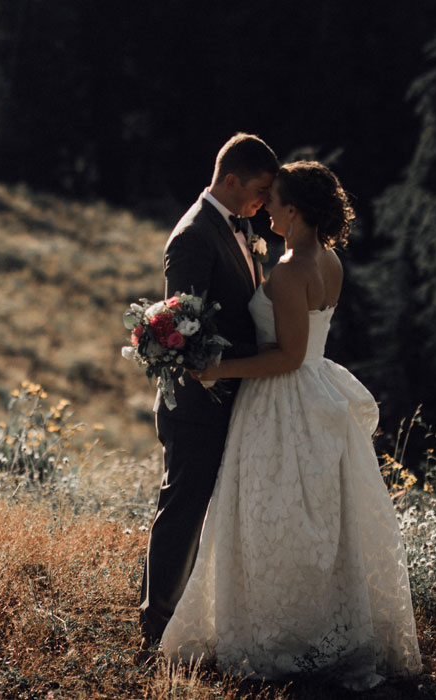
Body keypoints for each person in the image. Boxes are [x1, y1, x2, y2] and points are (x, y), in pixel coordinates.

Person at [160, 161, 422, 690]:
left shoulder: (287, 271)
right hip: (318, 394)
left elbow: (288, 356)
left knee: (270, 516)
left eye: (274, 200)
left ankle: (280, 634)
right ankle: (322, 627)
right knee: (316, 520)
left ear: (294, 210)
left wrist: (219, 368)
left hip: (281, 402)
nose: (266, 207)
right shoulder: (329, 262)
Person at [138, 133, 280, 654]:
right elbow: (188, 329)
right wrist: (257, 357)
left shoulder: (237, 227)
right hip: (198, 404)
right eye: (261, 190)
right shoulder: (195, 235)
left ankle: (196, 618)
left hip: (230, 398)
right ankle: (156, 627)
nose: (264, 202)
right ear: (232, 179)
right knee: (183, 508)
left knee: (204, 510)